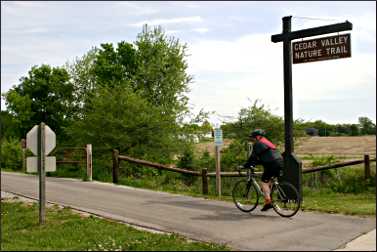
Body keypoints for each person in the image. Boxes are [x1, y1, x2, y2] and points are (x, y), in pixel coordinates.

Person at [243, 129, 284, 211]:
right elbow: (265, 157)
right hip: (280, 161)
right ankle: (268, 201)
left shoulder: (258, 144)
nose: (253, 140)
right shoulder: (266, 142)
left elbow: (253, 157)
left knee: (263, 182)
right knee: (269, 181)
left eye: (253, 138)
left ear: (257, 137)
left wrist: (245, 165)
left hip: (272, 163)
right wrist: (255, 163)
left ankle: (268, 201)